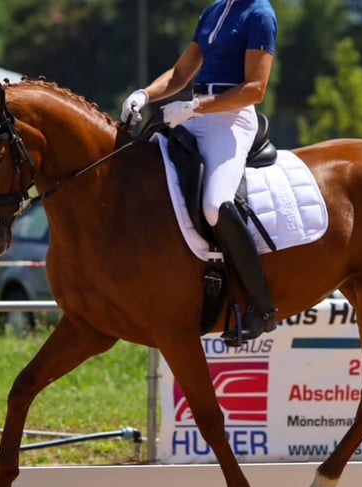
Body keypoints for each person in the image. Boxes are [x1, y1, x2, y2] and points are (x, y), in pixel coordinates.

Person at [121, 0, 278, 345]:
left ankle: (261, 306)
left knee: (215, 204)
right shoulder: (214, 11)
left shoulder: (260, 14)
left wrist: (194, 107)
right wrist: (144, 95)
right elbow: (180, 75)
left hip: (230, 119)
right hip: (195, 115)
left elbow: (255, 89)